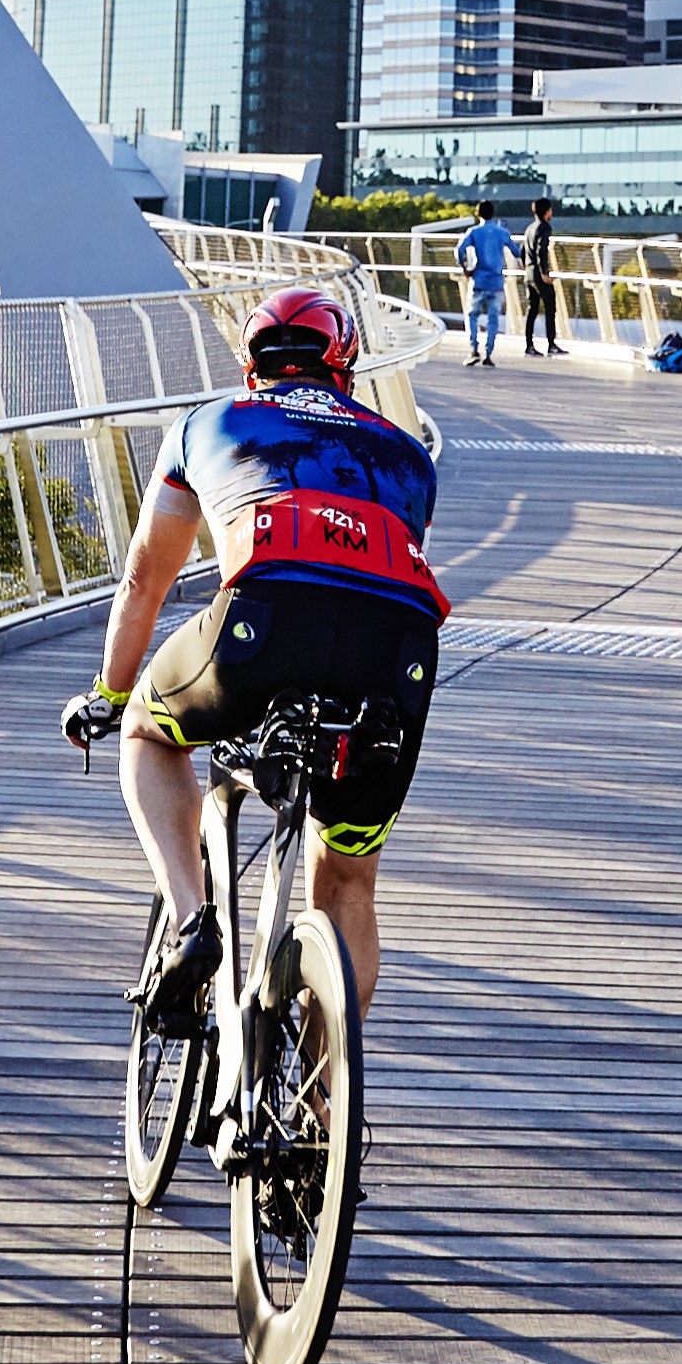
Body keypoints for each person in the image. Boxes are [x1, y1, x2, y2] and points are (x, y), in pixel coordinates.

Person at [61, 285, 445, 1022]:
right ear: (348, 364)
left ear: (250, 364)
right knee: (350, 884)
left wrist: (108, 696)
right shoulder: (407, 453)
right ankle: (328, 1109)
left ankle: (190, 923)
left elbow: (146, 579)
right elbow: (372, 572)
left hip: (262, 627)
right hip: (398, 651)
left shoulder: (208, 423)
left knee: (148, 728)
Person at [454, 214, 509, 369]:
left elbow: (459, 249)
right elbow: (516, 249)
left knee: (472, 315)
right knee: (493, 318)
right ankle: (489, 353)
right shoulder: (501, 232)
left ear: (478, 214)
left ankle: (474, 349)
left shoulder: (474, 232)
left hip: (479, 280)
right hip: (496, 282)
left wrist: (464, 266)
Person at [518, 207, 560, 355]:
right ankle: (551, 344)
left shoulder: (529, 228)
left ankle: (529, 345)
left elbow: (522, 251)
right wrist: (544, 273)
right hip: (538, 275)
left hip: (529, 274)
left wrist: (526, 267)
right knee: (550, 307)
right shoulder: (545, 227)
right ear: (546, 212)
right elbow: (541, 250)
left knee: (532, 309)